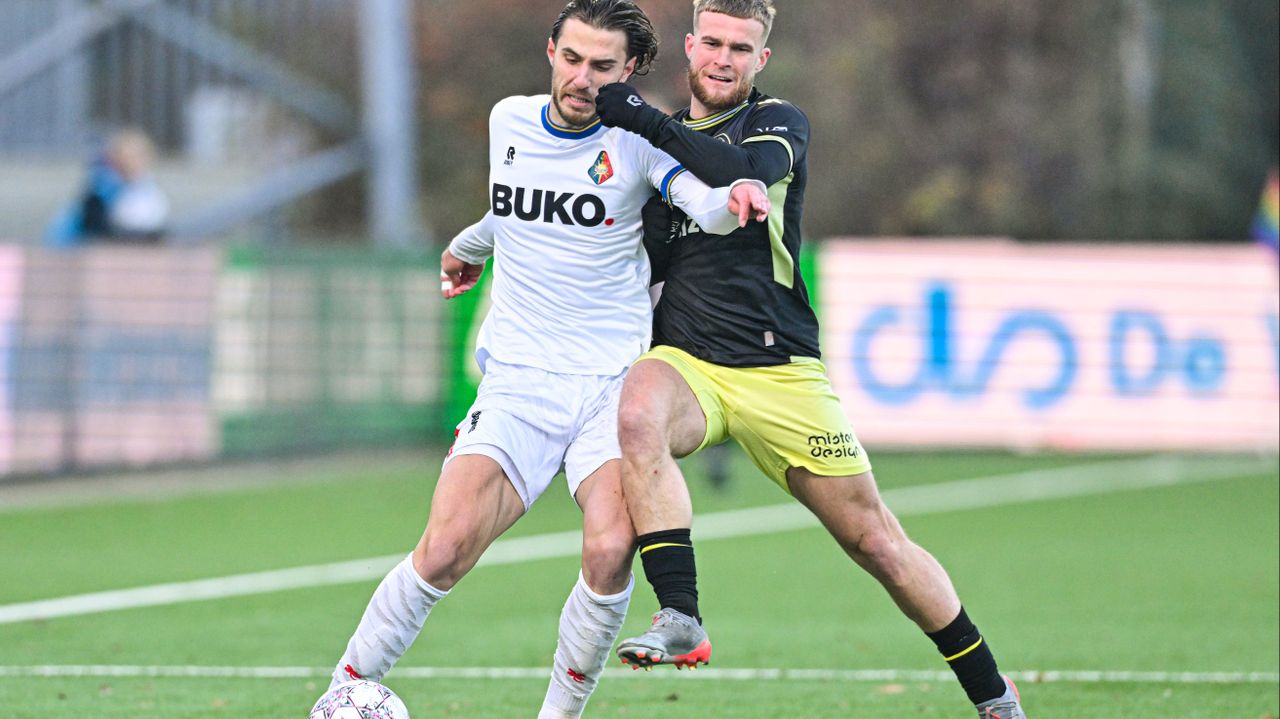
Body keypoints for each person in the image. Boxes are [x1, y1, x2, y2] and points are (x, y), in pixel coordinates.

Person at [324, 3, 770, 718]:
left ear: (628, 72)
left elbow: (704, 204)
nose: (582, 78)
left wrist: (736, 197)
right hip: (519, 381)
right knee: (443, 547)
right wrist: (471, 245)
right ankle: (341, 691)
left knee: (610, 548)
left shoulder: (642, 143)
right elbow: (513, 209)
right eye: (572, 59)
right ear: (551, 51)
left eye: (602, 66)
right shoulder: (508, 120)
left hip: (609, 387)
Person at [593, 1, 1029, 717]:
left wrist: (639, 114)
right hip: (688, 363)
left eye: (742, 47)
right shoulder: (648, 147)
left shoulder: (776, 123)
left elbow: (738, 170)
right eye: (714, 43)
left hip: (780, 371)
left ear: (761, 59)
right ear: (691, 46)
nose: (725, 58)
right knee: (637, 412)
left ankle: (993, 692)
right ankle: (681, 615)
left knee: (877, 542)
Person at [45, 128, 169, 247]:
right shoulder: (101, 190)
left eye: (140, 156)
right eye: (131, 157)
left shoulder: (145, 188)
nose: (136, 162)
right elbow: (97, 230)